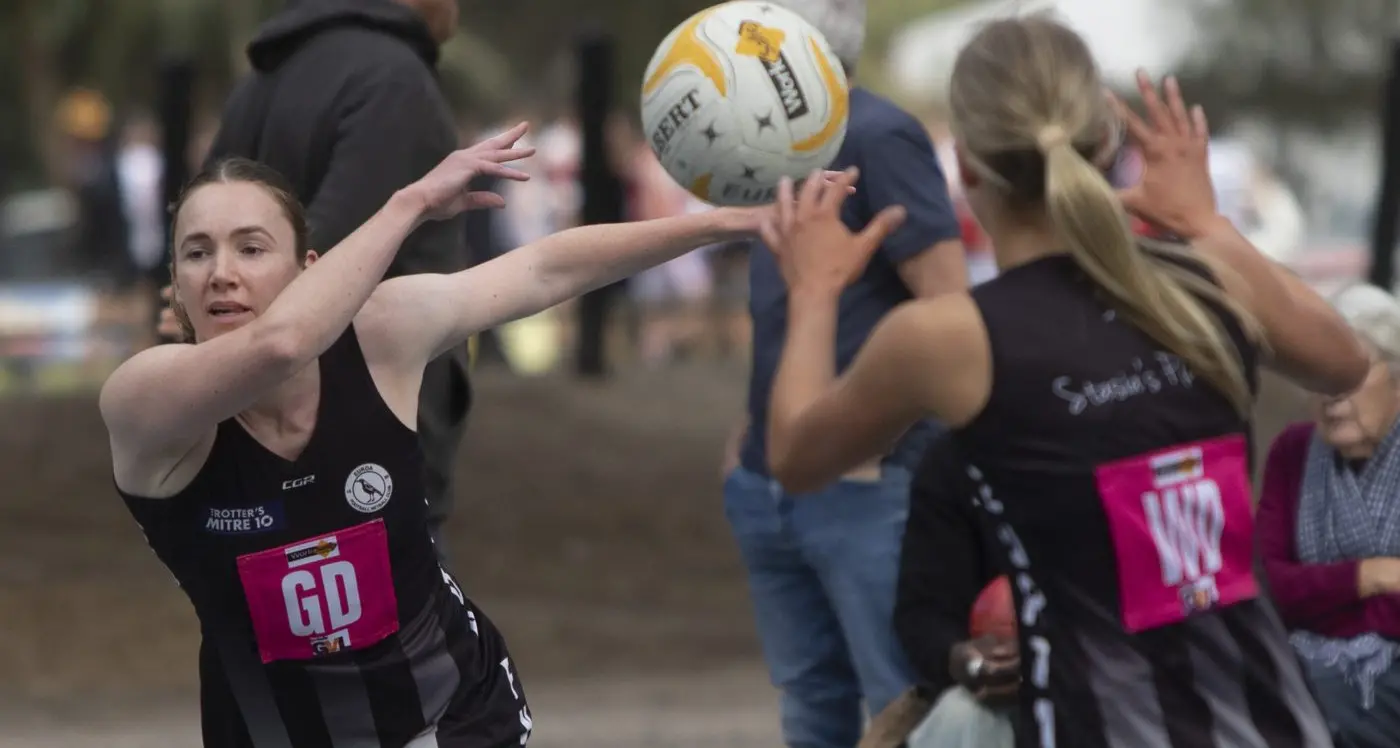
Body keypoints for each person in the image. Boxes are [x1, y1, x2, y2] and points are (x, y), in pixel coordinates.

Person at [758, 13, 1371, 748]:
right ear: (1107, 144)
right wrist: (1206, 223)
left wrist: (816, 292)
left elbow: (795, 457)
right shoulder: (1206, 280)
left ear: (968, 166)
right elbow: (1346, 363)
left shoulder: (951, 336)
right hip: (1273, 720)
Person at [104, 124, 802, 747]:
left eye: (251, 248)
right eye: (196, 254)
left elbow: (547, 268)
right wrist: (408, 204)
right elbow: (282, 344)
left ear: (310, 271)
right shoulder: (145, 402)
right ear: (176, 284)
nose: (221, 272)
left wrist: (728, 224)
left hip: (456, 716)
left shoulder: (380, 335)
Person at [719, 1, 968, 744]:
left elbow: (950, 310)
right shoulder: (774, 142)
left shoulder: (877, 133)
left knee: (900, 701)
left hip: (863, 485)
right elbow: (786, 305)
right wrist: (746, 441)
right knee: (810, 701)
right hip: (768, 480)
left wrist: (879, 449)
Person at [192, 0, 473, 562]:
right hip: (367, 443)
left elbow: (196, 241)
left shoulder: (259, 82)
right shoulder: (395, 82)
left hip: (252, 441)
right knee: (392, 645)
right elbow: (328, 256)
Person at [1256, 283, 1400, 747]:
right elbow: (1270, 584)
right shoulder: (1294, 451)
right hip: (1303, 661)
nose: (1332, 394)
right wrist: (1370, 576)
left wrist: (1318, 602)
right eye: (1319, 377)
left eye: (1351, 375)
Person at [890, 433, 1017, 748]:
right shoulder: (954, 460)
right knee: (964, 715)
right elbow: (922, 613)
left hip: (1115, 680)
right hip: (997, 700)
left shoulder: (1130, 439)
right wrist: (967, 660)